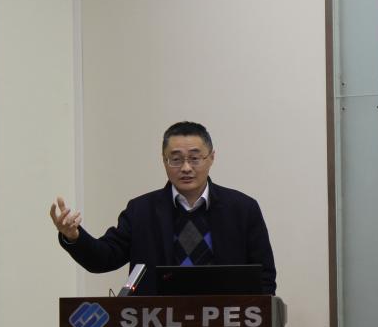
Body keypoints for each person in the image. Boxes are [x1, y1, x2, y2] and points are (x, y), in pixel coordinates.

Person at [50, 121, 277, 296]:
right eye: (175, 159)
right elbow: (104, 258)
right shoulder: (141, 211)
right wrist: (74, 237)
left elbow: (264, 277)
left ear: (211, 158)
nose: (186, 168)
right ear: (164, 160)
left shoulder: (242, 209)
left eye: (195, 158)